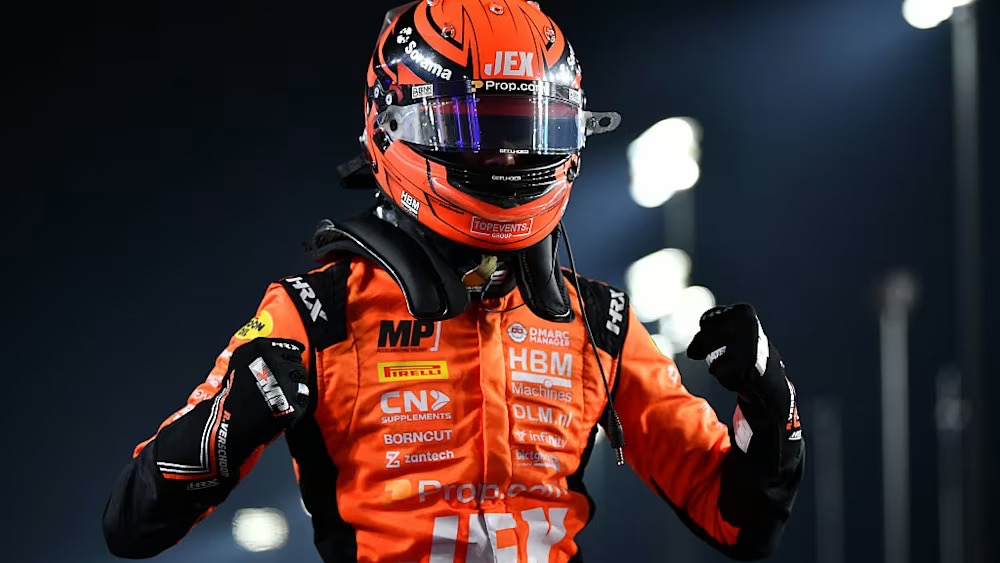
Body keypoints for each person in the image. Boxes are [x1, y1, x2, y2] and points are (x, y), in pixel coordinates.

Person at [102, 1, 805, 561]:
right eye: (480, 129)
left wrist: (770, 407)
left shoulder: (599, 322)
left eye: (529, 129)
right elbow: (130, 525)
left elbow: (742, 525)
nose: (509, 157)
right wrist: (227, 422)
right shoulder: (315, 313)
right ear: (392, 126)